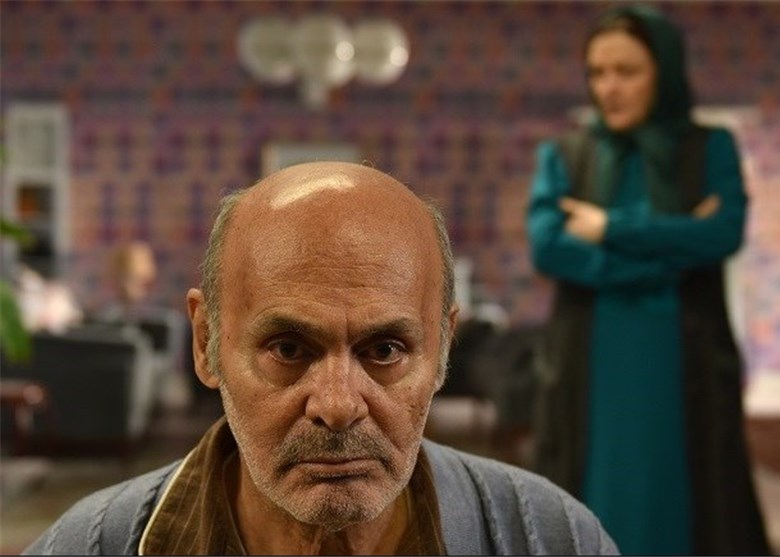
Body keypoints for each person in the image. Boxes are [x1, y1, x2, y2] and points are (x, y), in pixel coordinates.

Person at [24, 162, 618, 555]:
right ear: (207, 342)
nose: (337, 406)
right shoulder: (89, 546)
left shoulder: (553, 539)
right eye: (288, 349)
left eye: (384, 351)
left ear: (442, 348)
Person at [526, 5, 769, 555]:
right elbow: (550, 248)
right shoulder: (566, 154)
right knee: (595, 495)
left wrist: (610, 227)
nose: (608, 88)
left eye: (627, 71)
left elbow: (722, 234)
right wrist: (668, 253)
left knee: (689, 497)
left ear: (664, 71)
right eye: (597, 72)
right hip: (594, 359)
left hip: (683, 355)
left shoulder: (708, 148)